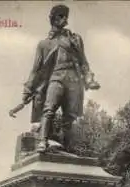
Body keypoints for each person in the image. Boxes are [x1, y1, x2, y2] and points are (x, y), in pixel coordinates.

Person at [21, 4, 100, 152]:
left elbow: (83, 61)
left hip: (74, 80)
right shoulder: (44, 44)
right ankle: (42, 141)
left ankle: (68, 147)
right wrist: (28, 89)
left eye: (65, 16)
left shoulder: (75, 39)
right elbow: (35, 69)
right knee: (49, 109)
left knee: (70, 117)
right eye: (61, 16)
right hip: (56, 78)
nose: (65, 19)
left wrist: (89, 78)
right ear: (53, 19)